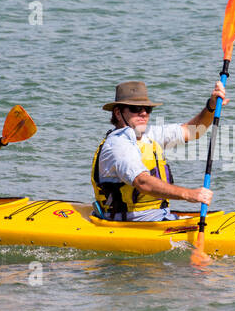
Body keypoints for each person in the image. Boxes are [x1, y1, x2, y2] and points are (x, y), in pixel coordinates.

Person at [90, 79, 227, 221]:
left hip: (160, 216)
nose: (143, 113)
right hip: (132, 222)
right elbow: (142, 182)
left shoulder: (148, 135)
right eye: (136, 109)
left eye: (147, 109)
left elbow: (192, 131)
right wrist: (189, 194)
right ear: (118, 113)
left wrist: (210, 107)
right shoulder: (118, 145)